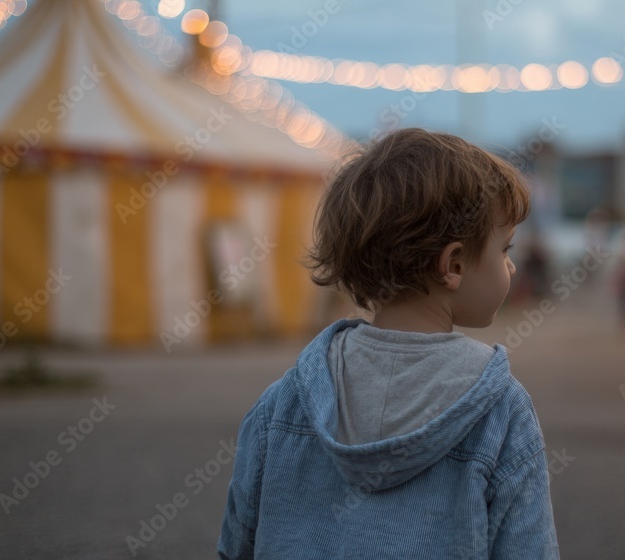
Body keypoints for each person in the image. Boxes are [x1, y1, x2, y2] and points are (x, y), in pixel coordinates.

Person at [217, 128, 560, 559]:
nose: (510, 266)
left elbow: (237, 544)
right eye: (504, 250)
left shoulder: (282, 404)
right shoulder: (500, 409)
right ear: (453, 264)